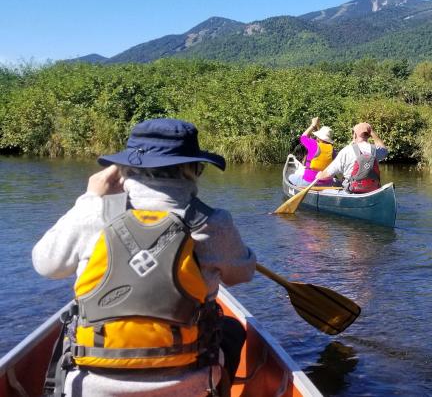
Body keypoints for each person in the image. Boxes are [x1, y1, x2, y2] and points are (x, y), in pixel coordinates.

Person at [32, 118, 256, 396]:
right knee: (231, 328)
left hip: (90, 386)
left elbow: (46, 264)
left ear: (123, 170)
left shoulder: (92, 212)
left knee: (69, 327)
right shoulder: (214, 222)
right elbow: (242, 275)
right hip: (188, 382)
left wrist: (89, 198)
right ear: (196, 169)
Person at [315, 122, 388, 194]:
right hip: (373, 190)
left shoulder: (346, 151)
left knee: (334, 180)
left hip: (351, 190)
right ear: (368, 135)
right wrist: (372, 132)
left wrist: (319, 175)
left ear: (355, 135)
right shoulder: (375, 149)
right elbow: (384, 150)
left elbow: (328, 174)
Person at [288, 116, 337, 187]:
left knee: (291, 177)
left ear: (319, 138)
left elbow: (303, 137)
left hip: (309, 182)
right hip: (327, 184)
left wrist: (313, 125)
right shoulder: (333, 150)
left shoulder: (313, 144)